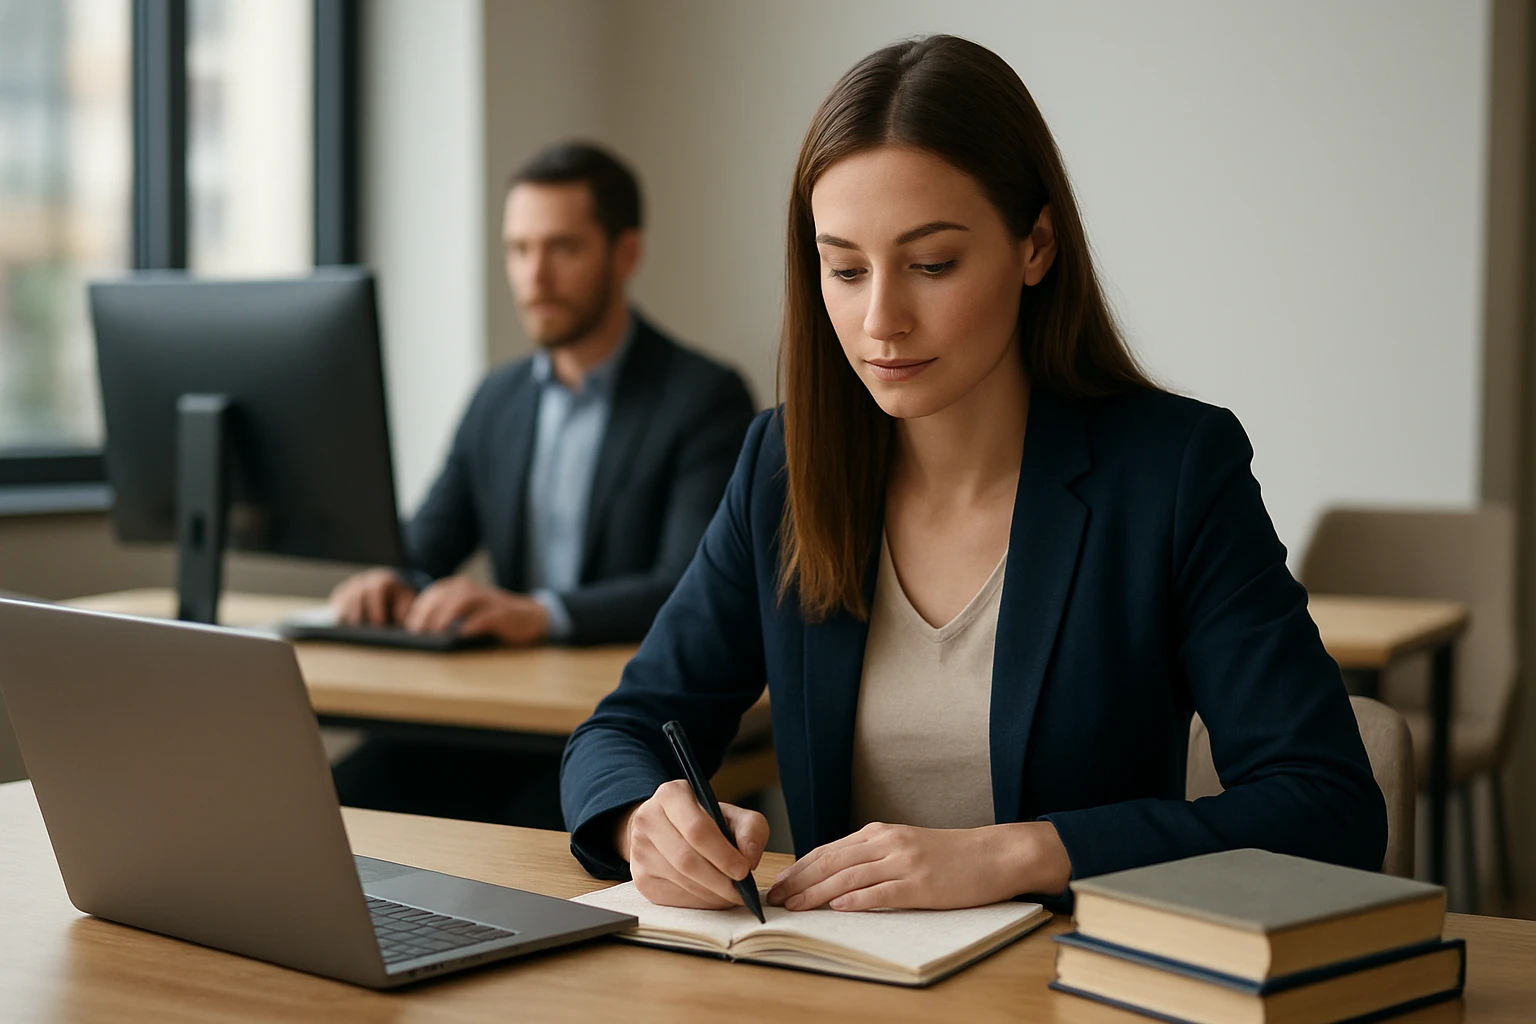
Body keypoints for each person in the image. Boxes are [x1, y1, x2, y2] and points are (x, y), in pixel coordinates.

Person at [560, 36, 1386, 912]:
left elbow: (1327, 807)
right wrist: (639, 821)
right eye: (844, 269)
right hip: (839, 989)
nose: (881, 320)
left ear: (1035, 246)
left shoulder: (1174, 472)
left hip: (1070, 990)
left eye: (932, 265)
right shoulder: (783, 466)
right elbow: (618, 732)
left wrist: (1025, 854)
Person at [329, 142, 755, 829]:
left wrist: (541, 612)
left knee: (535, 836)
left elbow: (686, 586)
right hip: (496, 720)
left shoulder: (704, 398)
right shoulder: (497, 400)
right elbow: (429, 540)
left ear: (626, 253)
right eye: (519, 249)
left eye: (562, 248)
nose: (536, 275)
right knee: (320, 804)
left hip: (619, 729)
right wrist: (390, 575)